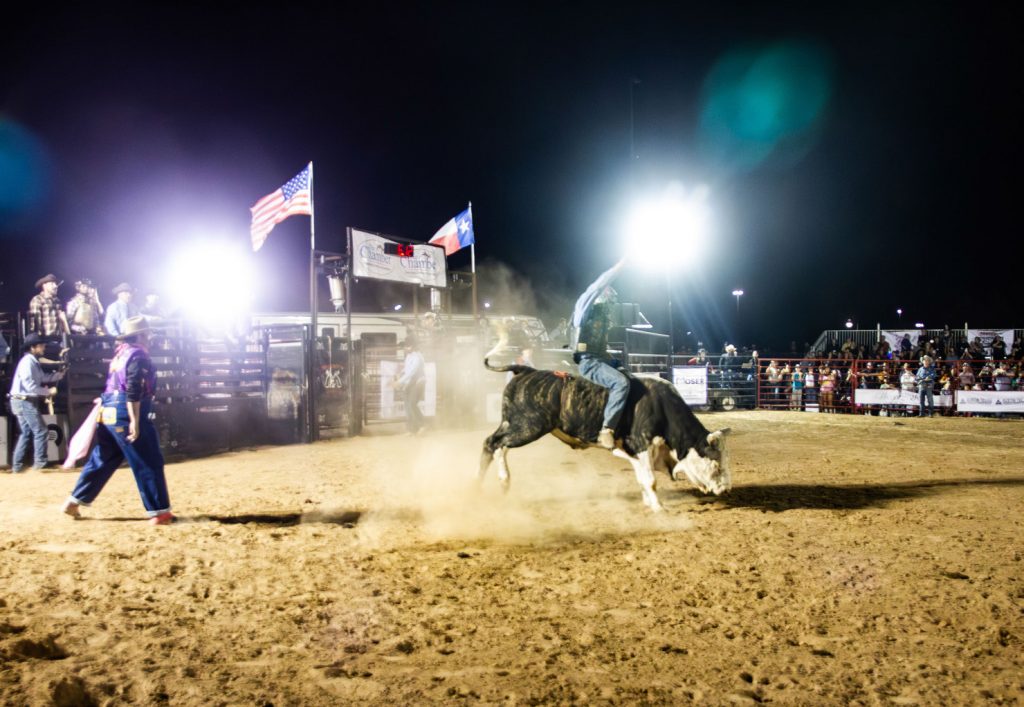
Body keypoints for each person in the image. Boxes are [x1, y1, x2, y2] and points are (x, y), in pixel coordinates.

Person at [61, 317, 173, 524]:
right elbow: (133, 388)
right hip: (124, 409)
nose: (149, 337)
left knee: (104, 458)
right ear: (140, 335)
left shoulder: (120, 354)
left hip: (109, 409)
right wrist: (135, 420)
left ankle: (74, 500)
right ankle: (159, 512)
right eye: (146, 333)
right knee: (147, 458)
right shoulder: (138, 355)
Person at [570, 258, 629, 449]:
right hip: (588, 362)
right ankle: (607, 430)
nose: (608, 310)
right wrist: (619, 267)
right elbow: (598, 286)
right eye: (607, 305)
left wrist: (615, 363)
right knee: (621, 383)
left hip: (598, 359)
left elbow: (602, 349)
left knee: (628, 376)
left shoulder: (601, 321)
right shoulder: (584, 309)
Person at [7, 334, 65, 472]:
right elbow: (30, 386)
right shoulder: (28, 362)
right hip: (24, 401)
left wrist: (57, 376)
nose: (44, 347)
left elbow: (40, 378)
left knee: (26, 433)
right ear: (33, 348)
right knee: (41, 431)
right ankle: (40, 463)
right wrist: (48, 392)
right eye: (41, 345)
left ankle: (18, 466)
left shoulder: (31, 361)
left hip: (20, 401)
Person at [394, 335, 426, 435]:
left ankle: (422, 425)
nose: (405, 348)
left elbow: (411, 372)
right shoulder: (409, 356)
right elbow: (407, 369)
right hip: (411, 382)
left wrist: (399, 382)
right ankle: (412, 429)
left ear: (412, 346)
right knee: (408, 405)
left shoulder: (417, 357)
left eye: (407, 346)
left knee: (411, 403)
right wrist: (400, 375)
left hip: (418, 382)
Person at [27, 274, 70, 338]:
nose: (56, 286)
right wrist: (39, 342)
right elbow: (35, 325)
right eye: (52, 284)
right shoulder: (37, 300)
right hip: (45, 341)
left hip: (58, 340)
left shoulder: (57, 301)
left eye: (56, 284)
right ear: (44, 285)